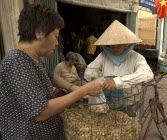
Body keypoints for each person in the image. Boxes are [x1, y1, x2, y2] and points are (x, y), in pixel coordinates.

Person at [0, 4, 102, 140]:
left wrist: (75, 88)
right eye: (56, 36)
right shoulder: (17, 62)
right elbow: (41, 112)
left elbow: (52, 77)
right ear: (39, 32)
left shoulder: (33, 58)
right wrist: (82, 92)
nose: (57, 43)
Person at [84, 20, 153, 105]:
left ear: (125, 44)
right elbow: (90, 69)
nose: (115, 48)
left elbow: (147, 73)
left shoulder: (136, 57)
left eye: (119, 45)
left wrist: (118, 81)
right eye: (112, 45)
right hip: (107, 101)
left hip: (129, 102)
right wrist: (93, 77)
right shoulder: (103, 55)